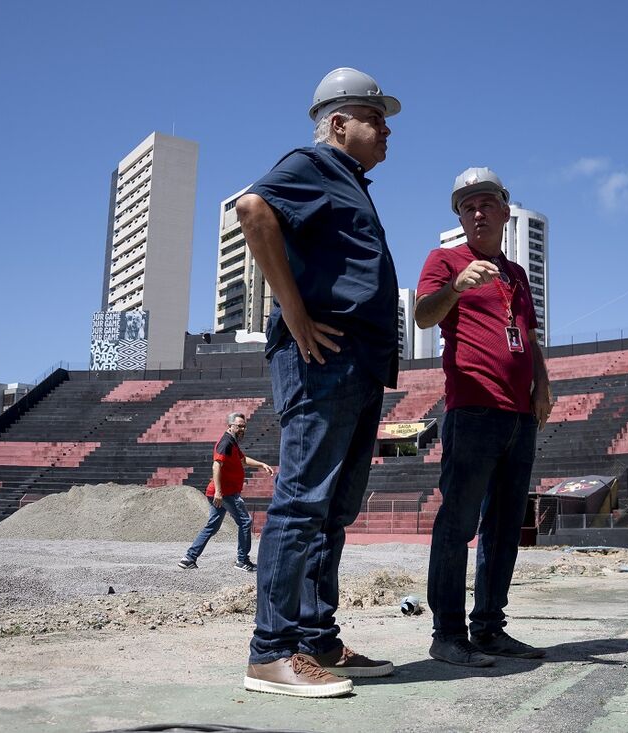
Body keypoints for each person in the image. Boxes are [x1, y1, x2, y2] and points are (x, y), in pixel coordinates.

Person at [233, 67, 401, 698]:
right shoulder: (313, 162)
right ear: (338, 123)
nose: (386, 130)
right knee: (303, 503)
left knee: (333, 509)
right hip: (322, 359)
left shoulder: (349, 180)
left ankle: (314, 639)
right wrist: (295, 314)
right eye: (375, 118)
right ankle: (270, 653)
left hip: (358, 364)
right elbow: (253, 209)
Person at [414, 167, 552, 667]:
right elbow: (423, 315)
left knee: (504, 526)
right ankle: (447, 634)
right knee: (458, 523)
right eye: (467, 206)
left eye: (486, 203)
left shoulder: (516, 274)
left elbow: (528, 337)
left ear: (504, 211)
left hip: (520, 415)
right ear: (459, 216)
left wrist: (544, 381)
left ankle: (490, 628)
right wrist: (455, 285)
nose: (477, 212)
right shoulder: (445, 260)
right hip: (472, 411)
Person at [178, 412, 272, 571]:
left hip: (220, 492)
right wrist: (219, 493)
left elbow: (243, 460)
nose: (242, 428)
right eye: (239, 426)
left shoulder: (233, 443)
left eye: (244, 426)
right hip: (225, 493)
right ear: (230, 426)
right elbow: (216, 466)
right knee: (245, 521)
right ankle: (242, 561)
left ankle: (189, 558)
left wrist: (261, 464)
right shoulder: (226, 442)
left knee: (212, 526)